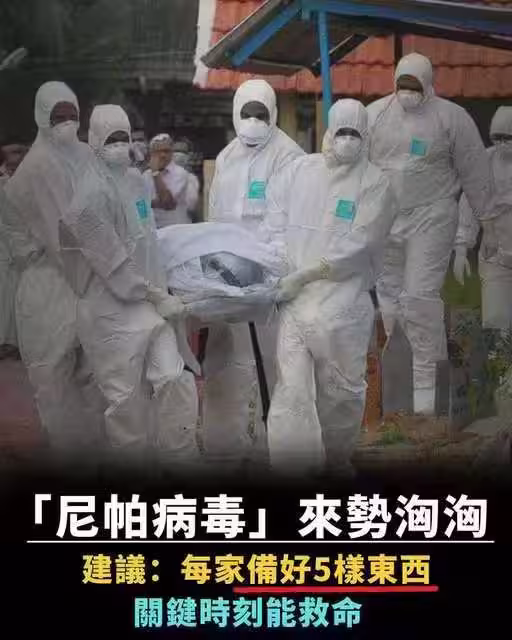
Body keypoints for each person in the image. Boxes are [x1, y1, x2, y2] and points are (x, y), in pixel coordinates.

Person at [60, 105, 201, 470]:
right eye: (112, 139)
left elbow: (148, 240)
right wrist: (156, 295)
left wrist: (167, 288)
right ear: (94, 141)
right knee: (125, 402)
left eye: (124, 138)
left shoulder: (136, 181)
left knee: (172, 377)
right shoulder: (86, 199)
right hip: (111, 312)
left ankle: (180, 461)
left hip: (152, 306)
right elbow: (113, 264)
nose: (120, 146)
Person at [263, 99, 397, 477]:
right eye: (341, 132)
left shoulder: (376, 184)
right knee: (292, 391)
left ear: (366, 136)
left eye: (355, 133)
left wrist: (308, 273)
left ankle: (336, 463)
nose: (347, 140)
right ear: (329, 131)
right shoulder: (300, 171)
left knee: (341, 392)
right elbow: (273, 220)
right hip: (295, 302)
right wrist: (281, 266)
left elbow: (361, 242)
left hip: (343, 305)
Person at [367, 53, 491, 414]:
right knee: (390, 301)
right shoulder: (375, 116)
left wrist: (479, 231)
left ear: (427, 83)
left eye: (414, 86)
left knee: (420, 299)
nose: (407, 93)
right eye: (402, 85)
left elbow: (476, 175)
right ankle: (399, 389)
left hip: (432, 216)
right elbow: (353, 169)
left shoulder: (451, 118)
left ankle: (428, 390)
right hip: (386, 219)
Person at [203, 78, 304, 471]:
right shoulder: (226, 157)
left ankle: (274, 447)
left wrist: (265, 270)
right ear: (235, 113)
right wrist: (218, 266)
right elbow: (216, 218)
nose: (253, 121)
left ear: (273, 114)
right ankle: (231, 444)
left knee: (275, 363)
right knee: (231, 361)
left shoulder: (289, 157)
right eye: (247, 114)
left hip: (271, 281)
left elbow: (290, 222)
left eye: (261, 114)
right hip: (229, 281)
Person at [3, 81, 105, 456]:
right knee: (54, 379)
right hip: (49, 284)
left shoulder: (85, 155)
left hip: (89, 279)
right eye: (57, 116)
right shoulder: (36, 169)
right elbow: (63, 237)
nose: (66, 123)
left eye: (71, 115)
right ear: (41, 116)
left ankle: (96, 459)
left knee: (95, 375)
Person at [455, 106, 512, 334]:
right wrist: (461, 248)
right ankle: (500, 357)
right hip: (494, 254)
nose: (503, 144)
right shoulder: (483, 162)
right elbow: (469, 205)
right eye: (497, 138)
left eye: (508, 138)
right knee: (497, 320)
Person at [0, 139, 29, 358]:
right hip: (9, 246)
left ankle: (16, 341)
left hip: (17, 247)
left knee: (15, 292)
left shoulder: (14, 184)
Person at [143, 133, 192, 227]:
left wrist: (155, 173)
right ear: (151, 154)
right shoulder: (145, 175)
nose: (163, 155)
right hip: (152, 228)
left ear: (172, 153)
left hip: (175, 228)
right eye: (158, 151)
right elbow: (139, 203)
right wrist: (143, 222)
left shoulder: (180, 173)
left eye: (166, 151)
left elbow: (166, 202)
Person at [173, 140, 200, 222]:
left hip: (182, 223)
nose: (178, 155)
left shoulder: (191, 178)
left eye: (182, 152)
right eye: (176, 151)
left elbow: (191, 204)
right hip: (159, 225)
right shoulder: (152, 175)